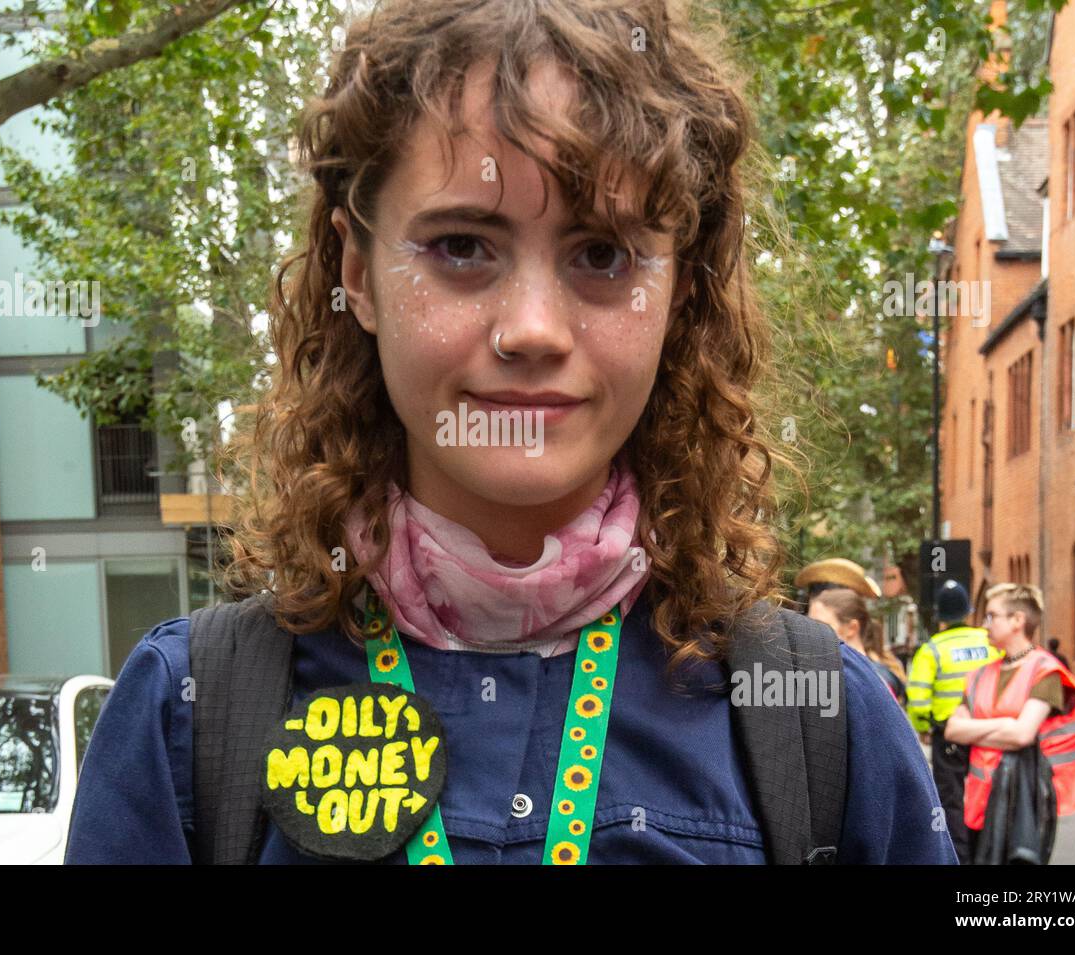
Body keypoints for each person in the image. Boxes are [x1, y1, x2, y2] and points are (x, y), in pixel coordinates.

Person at [64, 0, 954, 865]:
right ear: (356, 272)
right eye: (460, 246)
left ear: (680, 292)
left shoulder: (816, 717)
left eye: (602, 254)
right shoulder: (188, 714)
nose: (532, 327)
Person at [944, 584, 1075, 863]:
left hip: (1022, 800)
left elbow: (1023, 735)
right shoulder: (979, 674)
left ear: (1017, 621)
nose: (984, 625)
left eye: (991, 616)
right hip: (978, 799)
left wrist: (976, 731)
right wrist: (1006, 725)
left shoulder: (1044, 670)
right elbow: (953, 730)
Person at [906, 580, 998, 864]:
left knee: (952, 800)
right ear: (968, 611)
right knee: (986, 794)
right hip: (986, 733)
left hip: (948, 736)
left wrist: (924, 727)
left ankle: (961, 857)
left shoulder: (932, 649)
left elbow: (918, 698)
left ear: (940, 617)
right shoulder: (988, 642)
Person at [808, 587, 907, 706]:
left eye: (821, 626)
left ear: (852, 628)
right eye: (808, 625)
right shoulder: (837, 673)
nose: (809, 633)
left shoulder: (869, 680)